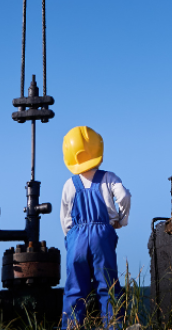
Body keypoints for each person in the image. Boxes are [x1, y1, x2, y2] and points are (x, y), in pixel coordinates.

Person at [60, 125, 131, 329]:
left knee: (75, 289)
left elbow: (65, 220)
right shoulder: (109, 178)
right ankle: (114, 326)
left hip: (76, 239)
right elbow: (124, 196)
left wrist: (71, 238)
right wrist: (121, 220)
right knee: (108, 286)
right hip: (102, 235)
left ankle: (72, 327)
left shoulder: (69, 185)